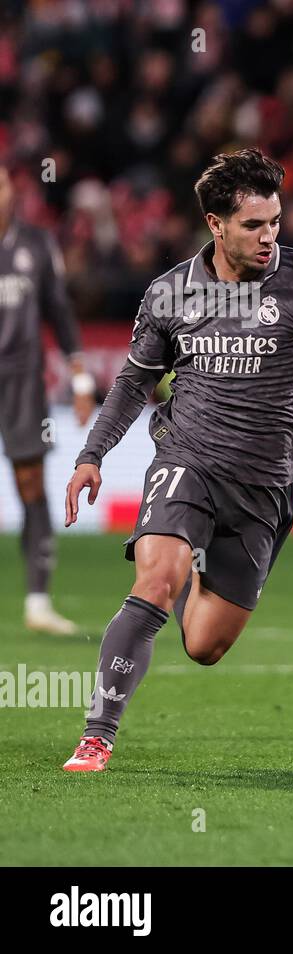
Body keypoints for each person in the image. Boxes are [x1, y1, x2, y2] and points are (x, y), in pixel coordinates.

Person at [61, 148, 293, 771]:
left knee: (203, 645)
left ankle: (192, 569)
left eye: (275, 222)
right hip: (187, 461)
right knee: (154, 581)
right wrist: (92, 455)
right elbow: (133, 384)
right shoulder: (171, 292)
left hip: (264, 485)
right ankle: (98, 734)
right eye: (254, 225)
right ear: (215, 225)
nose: (269, 237)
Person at [0, 161, 95, 633]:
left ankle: (38, 601)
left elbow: (60, 312)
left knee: (31, 484)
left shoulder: (36, 245)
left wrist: (80, 380)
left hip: (21, 380)